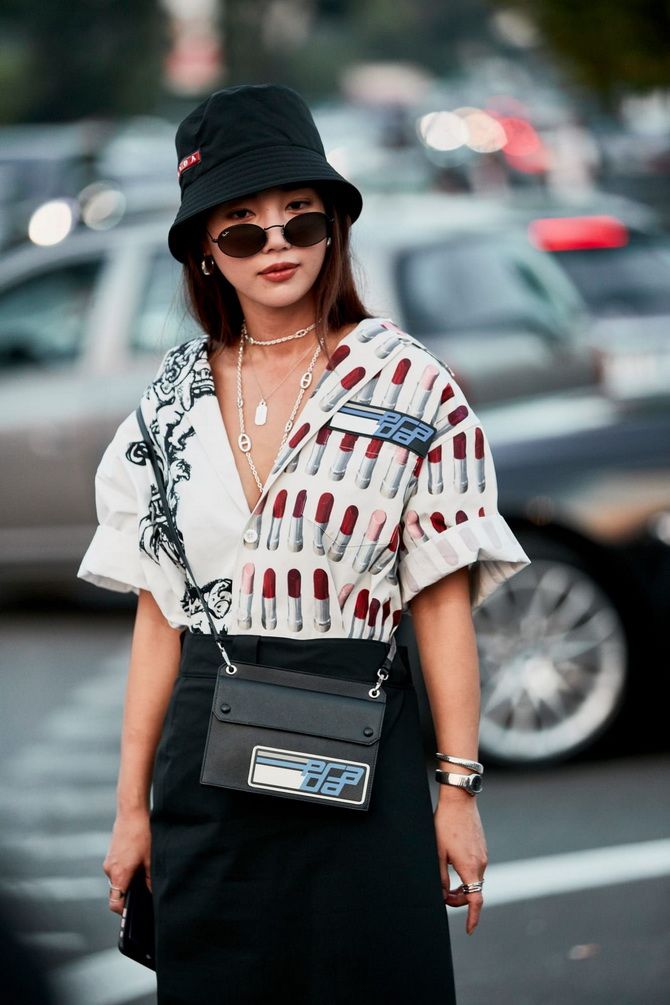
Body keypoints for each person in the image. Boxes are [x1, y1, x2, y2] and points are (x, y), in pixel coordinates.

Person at [77, 83, 531, 1004]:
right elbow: (158, 621)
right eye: (241, 227)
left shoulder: (410, 385)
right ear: (207, 251)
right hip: (205, 758)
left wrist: (458, 790)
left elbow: (440, 600)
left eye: (301, 220)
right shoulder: (167, 407)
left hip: (359, 737)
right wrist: (132, 812)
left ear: (336, 230)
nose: (276, 245)